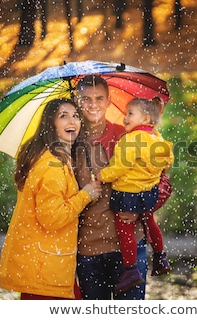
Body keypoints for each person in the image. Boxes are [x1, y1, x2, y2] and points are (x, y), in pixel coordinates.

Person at [0, 98, 102, 300]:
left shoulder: (55, 158)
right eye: (63, 116)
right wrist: (86, 194)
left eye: (76, 116)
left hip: (47, 267)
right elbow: (52, 218)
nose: (72, 121)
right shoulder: (51, 166)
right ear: (51, 124)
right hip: (45, 271)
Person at [73, 75, 148, 300]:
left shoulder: (128, 137)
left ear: (108, 101)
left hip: (128, 248)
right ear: (78, 102)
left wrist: (138, 208)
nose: (93, 105)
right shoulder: (68, 142)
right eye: (86, 99)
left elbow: (160, 183)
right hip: (88, 250)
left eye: (99, 98)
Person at [97, 97, 174, 293]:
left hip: (128, 192)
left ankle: (130, 269)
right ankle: (160, 256)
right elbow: (167, 161)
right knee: (150, 221)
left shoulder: (131, 139)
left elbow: (119, 166)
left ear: (146, 118)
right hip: (149, 191)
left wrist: (102, 175)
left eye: (130, 114)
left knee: (124, 229)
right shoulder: (157, 138)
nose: (125, 118)